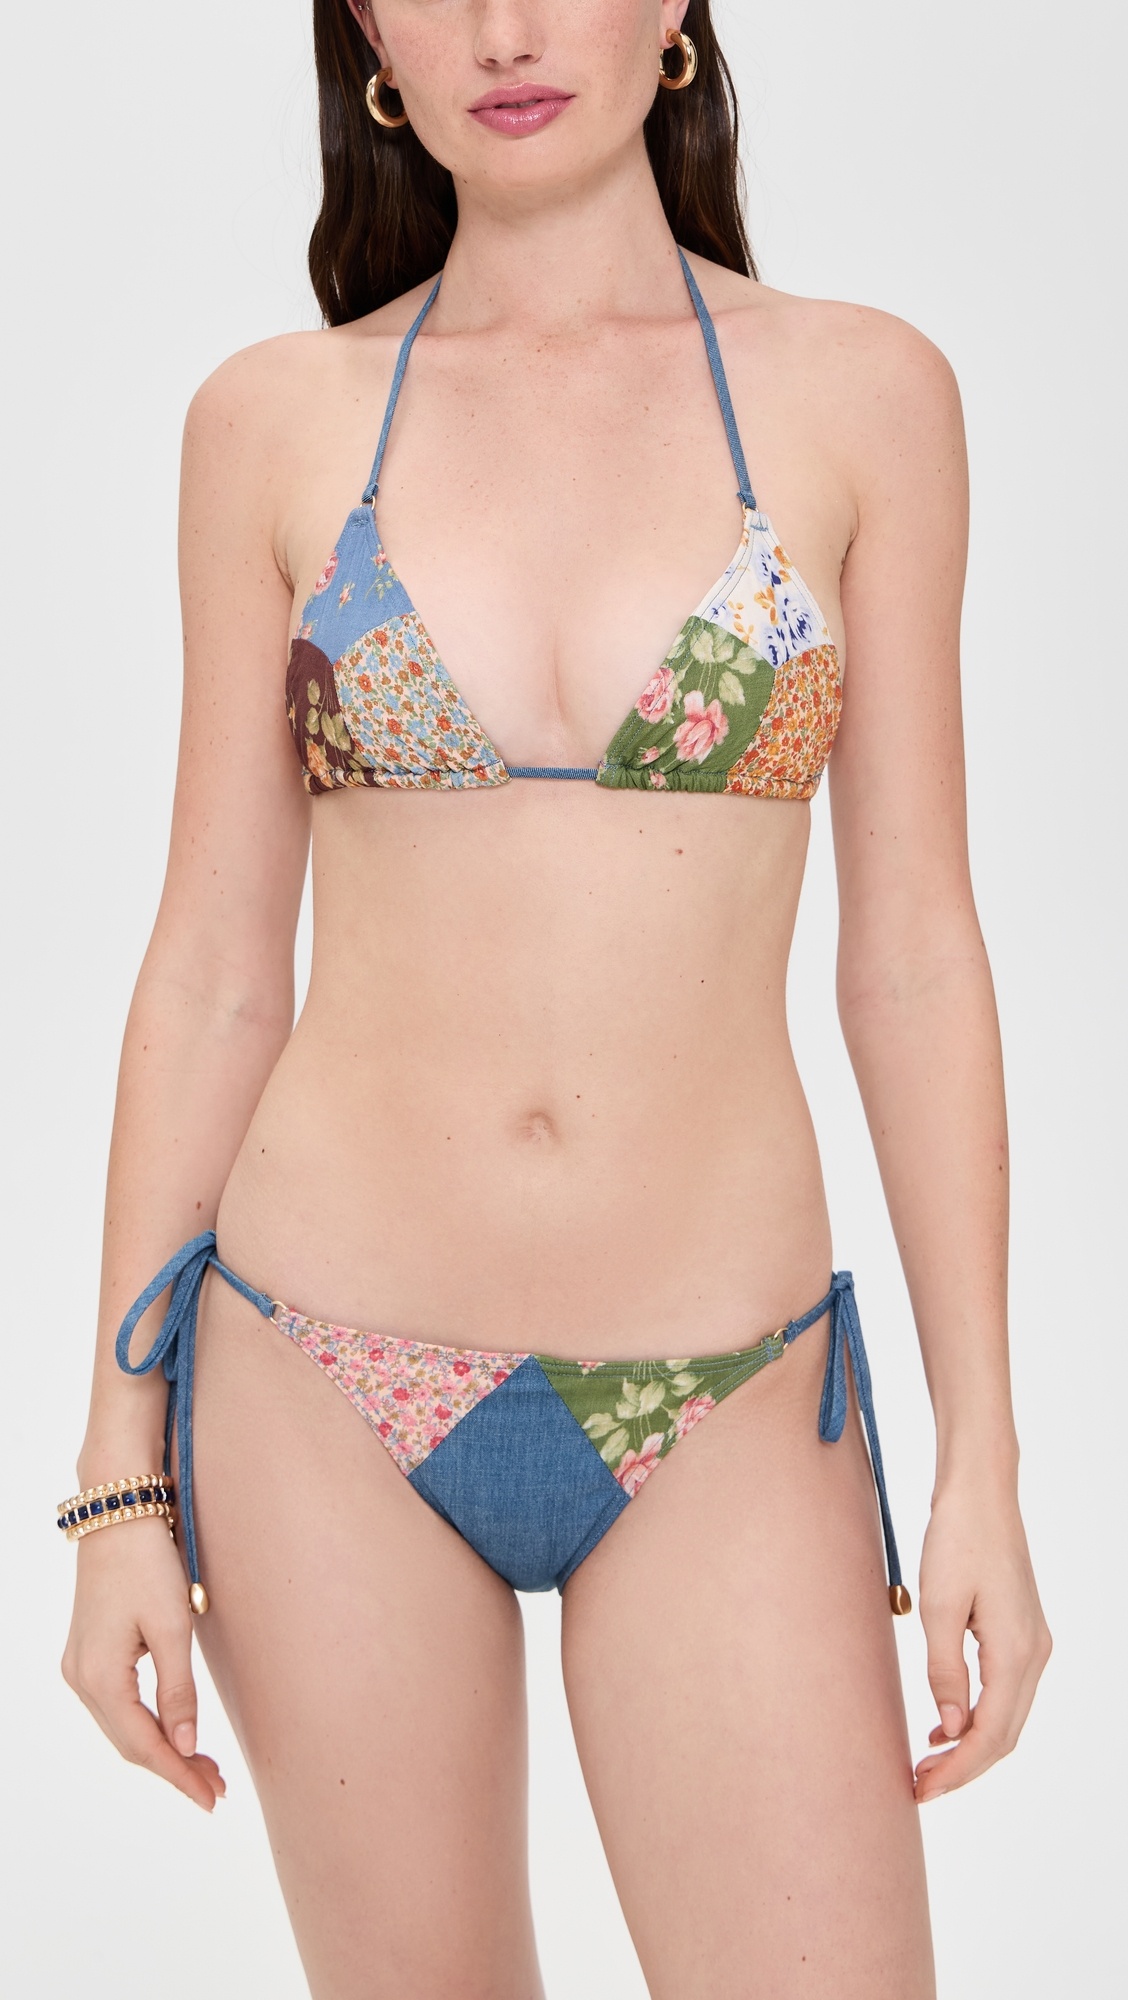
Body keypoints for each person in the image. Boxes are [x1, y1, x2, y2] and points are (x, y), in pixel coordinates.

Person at [58, 3, 1051, 1993]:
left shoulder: (866, 397)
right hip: (319, 1372)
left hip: (729, 1385)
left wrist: (985, 1466)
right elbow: (214, 967)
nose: (505, 29)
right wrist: (117, 1482)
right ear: (367, 39)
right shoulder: (273, 421)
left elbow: (917, 956)